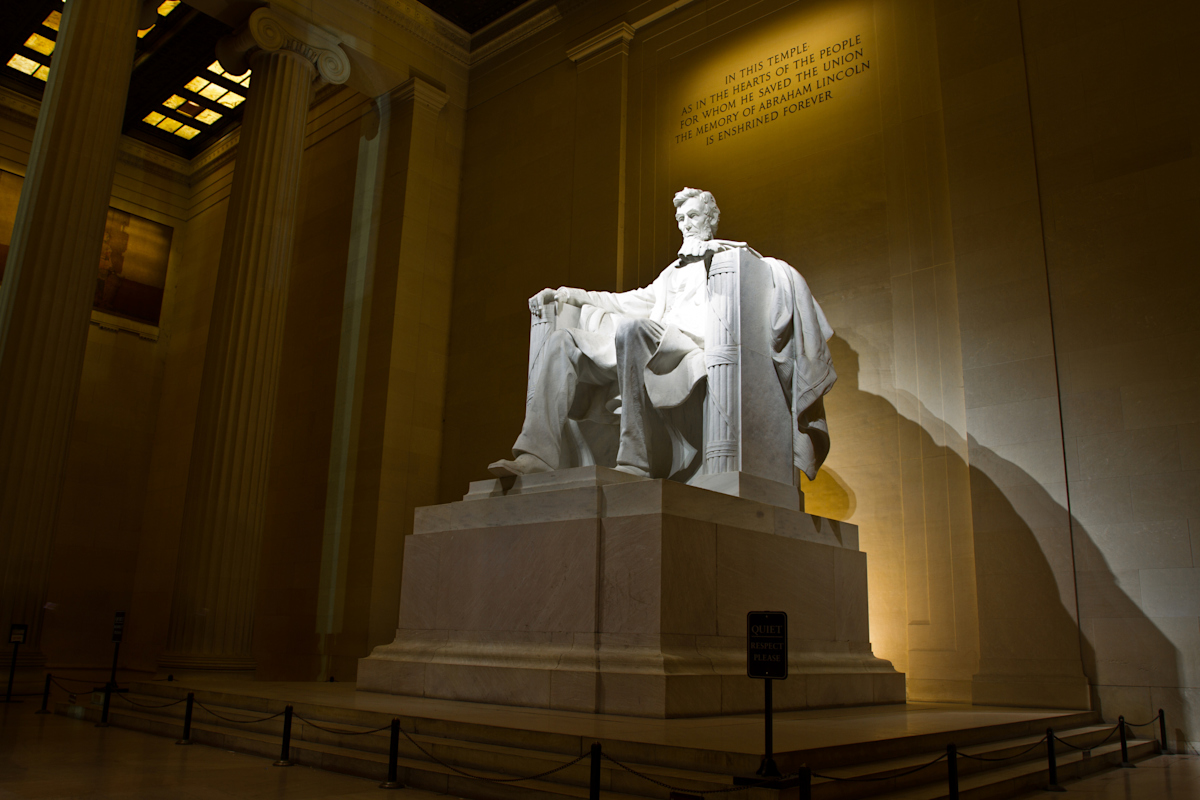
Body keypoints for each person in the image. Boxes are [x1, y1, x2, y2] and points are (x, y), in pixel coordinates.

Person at [489, 187, 836, 482]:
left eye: (693, 216)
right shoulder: (671, 273)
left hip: (688, 345)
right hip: (647, 339)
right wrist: (569, 294)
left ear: (710, 219)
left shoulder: (730, 257)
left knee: (633, 329)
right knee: (563, 341)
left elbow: (758, 271)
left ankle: (636, 460)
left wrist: (720, 255)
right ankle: (537, 455)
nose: (686, 224)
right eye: (681, 219)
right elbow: (624, 301)